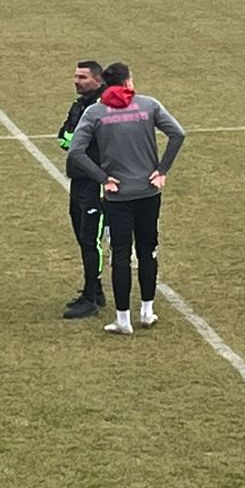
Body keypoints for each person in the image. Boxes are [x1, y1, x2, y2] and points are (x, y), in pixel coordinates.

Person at [67, 62, 186, 336]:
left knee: (120, 255)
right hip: (148, 192)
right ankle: (147, 311)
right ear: (129, 82)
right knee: (148, 250)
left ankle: (123, 320)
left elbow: (76, 151)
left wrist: (103, 178)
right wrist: (162, 170)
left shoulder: (95, 112)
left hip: (117, 196)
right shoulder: (148, 106)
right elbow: (178, 134)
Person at [58, 61, 107, 319]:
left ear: (97, 80)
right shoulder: (79, 105)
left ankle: (91, 297)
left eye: (82, 77)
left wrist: (76, 142)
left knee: (91, 239)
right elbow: (63, 137)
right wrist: (75, 142)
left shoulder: (104, 108)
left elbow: (83, 140)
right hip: (79, 178)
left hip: (95, 181)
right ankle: (95, 289)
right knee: (81, 233)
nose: (76, 81)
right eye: (76, 76)